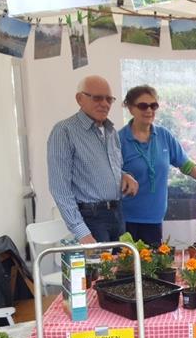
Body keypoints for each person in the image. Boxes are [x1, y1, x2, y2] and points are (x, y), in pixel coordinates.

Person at [119, 85, 196, 246]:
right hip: (127, 218)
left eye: (153, 106)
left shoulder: (164, 136)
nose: (149, 110)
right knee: (128, 267)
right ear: (130, 108)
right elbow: (109, 172)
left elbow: (186, 165)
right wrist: (122, 175)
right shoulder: (119, 139)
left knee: (153, 266)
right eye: (143, 105)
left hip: (155, 217)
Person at [47, 75, 138, 243]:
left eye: (109, 99)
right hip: (91, 219)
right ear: (80, 99)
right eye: (97, 98)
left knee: (123, 269)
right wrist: (81, 231)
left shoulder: (111, 131)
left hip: (117, 215)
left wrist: (124, 175)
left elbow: (108, 167)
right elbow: (60, 188)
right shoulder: (64, 131)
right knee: (99, 270)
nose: (104, 104)